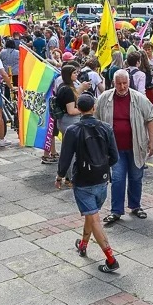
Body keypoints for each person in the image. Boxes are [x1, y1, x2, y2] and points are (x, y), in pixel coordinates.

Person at [55, 94, 121, 274]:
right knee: (91, 215)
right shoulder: (106, 128)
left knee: (94, 218)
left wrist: (60, 175)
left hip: (83, 181)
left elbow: (65, 157)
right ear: (94, 107)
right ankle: (83, 244)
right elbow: (114, 156)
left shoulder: (72, 130)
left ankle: (111, 258)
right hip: (102, 179)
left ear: (78, 108)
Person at [94, 69, 153, 225]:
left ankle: (135, 206)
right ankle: (116, 211)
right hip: (114, 149)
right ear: (113, 83)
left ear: (129, 82)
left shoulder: (139, 98)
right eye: (118, 83)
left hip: (136, 145)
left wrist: (152, 141)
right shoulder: (104, 98)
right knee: (118, 178)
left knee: (136, 177)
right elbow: (96, 120)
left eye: (124, 83)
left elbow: (150, 118)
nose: (122, 87)